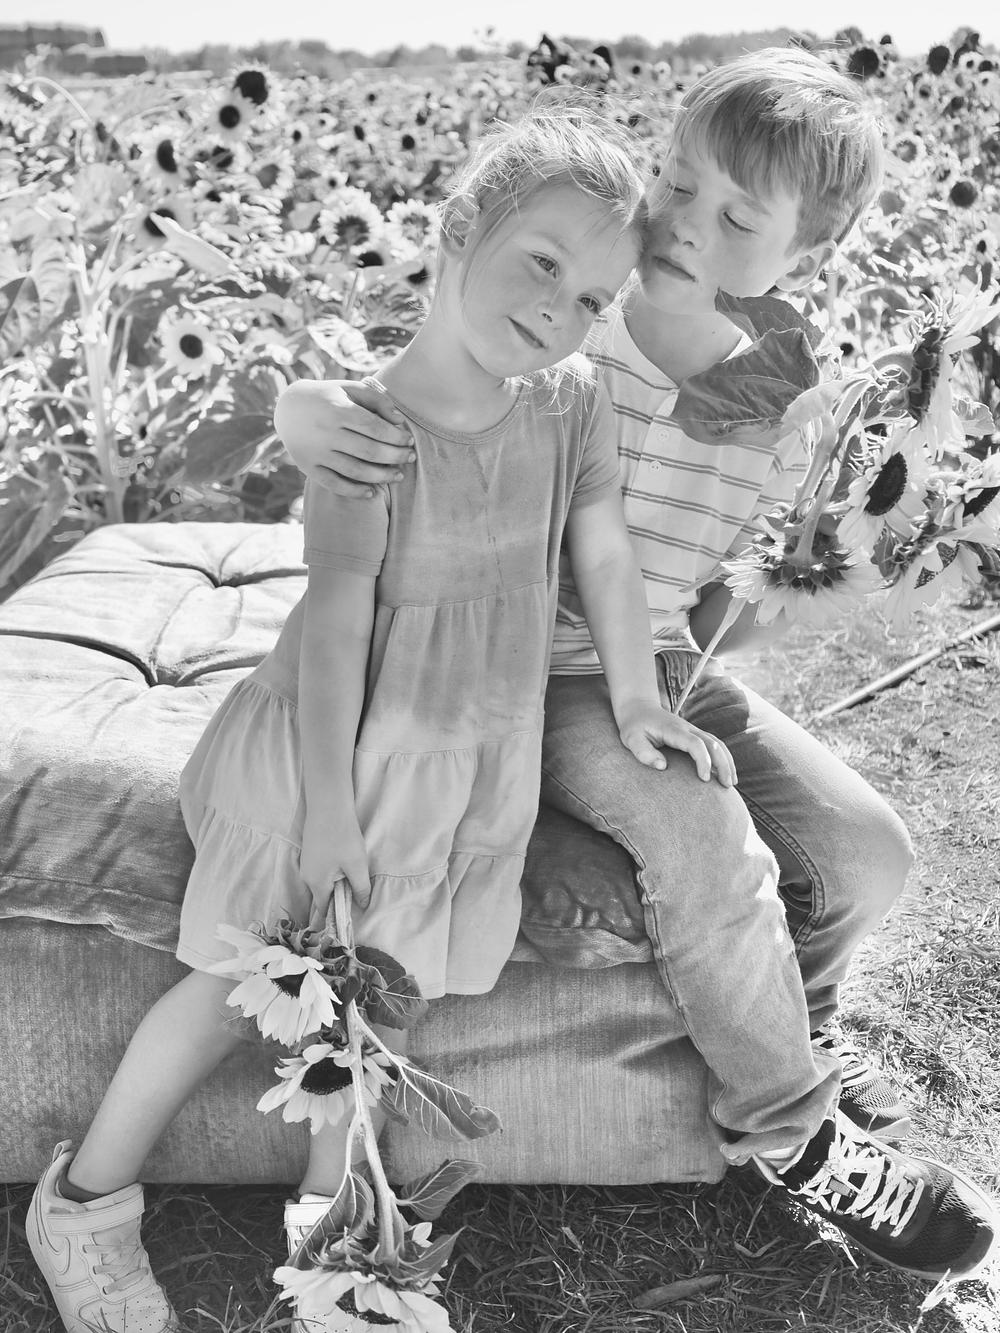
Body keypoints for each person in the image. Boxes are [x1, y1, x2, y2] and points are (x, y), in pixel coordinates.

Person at [274, 49, 1000, 1282]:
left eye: (737, 218)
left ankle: (805, 1023)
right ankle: (793, 1133)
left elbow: (724, 596)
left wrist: (805, 581)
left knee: (867, 853)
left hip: (657, 665)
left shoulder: (790, 398)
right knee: (704, 837)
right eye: (677, 181)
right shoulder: (575, 318)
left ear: (806, 254)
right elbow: (410, 382)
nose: (683, 223)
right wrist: (306, 412)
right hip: (524, 669)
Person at [27, 108, 742, 1333]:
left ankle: (338, 1243)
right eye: (541, 262)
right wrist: (325, 817)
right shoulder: (368, 432)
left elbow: (604, 550)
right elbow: (335, 632)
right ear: (459, 230)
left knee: (373, 1007)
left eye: (590, 297)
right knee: (235, 984)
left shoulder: (568, 405)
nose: (558, 310)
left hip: (458, 769)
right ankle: (84, 1204)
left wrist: (635, 695)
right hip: (328, 759)